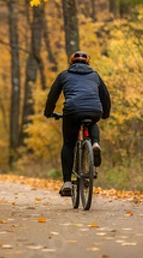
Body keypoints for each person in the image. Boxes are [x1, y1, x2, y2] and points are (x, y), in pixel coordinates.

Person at [44, 51, 111, 196]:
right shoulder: (95, 75)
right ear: (88, 63)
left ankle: (67, 182)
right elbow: (105, 96)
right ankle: (95, 143)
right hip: (94, 108)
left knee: (68, 144)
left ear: (71, 62)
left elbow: (53, 95)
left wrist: (48, 112)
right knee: (93, 121)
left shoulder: (64, 75)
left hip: (72, 110)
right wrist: (105, 114)